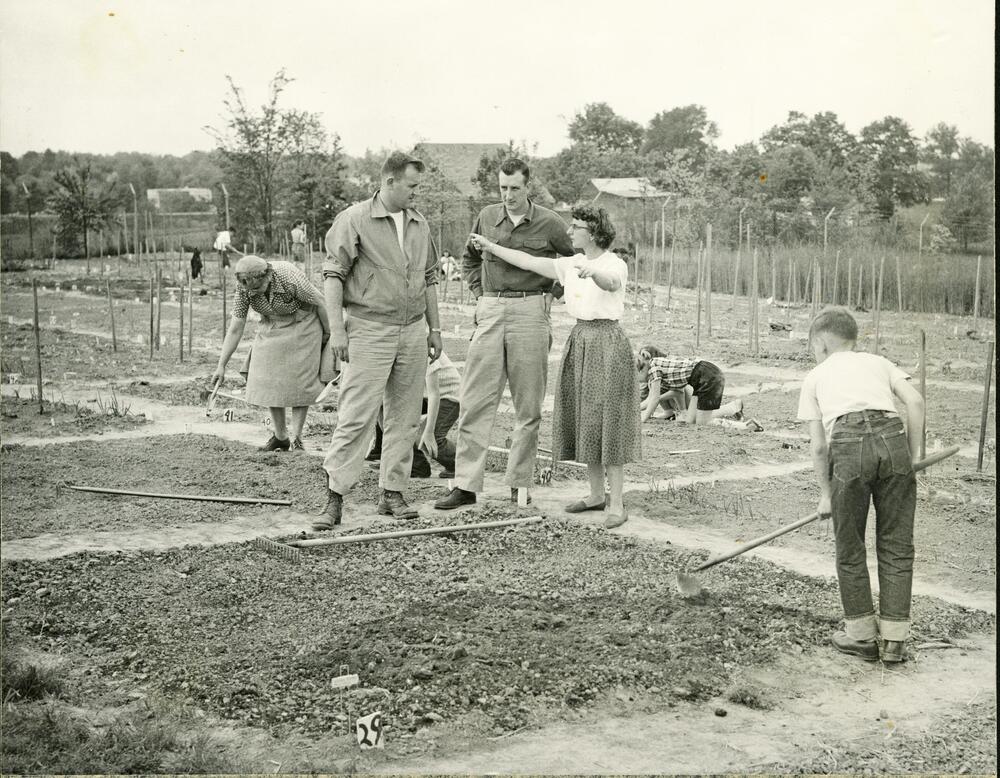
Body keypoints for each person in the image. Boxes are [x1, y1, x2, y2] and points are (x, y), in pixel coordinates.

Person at [465, 205, 640, 528]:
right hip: (580, 339)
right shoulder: (572, 262)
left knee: (609, 421)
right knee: (586, 418)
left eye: (576, 228)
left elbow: (612, 283)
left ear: (594, 233)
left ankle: (617, 503)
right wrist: (490, 247)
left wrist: (594, 274)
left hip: (607, 342)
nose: (570, 232)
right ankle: (596, 495)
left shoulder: (613, 263)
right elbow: (530, 261)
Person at [435, 158, 574, 511]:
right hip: (492, 310)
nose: (508, 195)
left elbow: (573, 265)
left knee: (528, 406)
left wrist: (551, 297)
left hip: (531, 312)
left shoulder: (550, 222)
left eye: (515, 188)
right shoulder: (486, 217)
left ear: (528, 187)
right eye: (503, 188)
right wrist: (480, 294)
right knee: (476, 400)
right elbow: (469, 259)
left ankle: (520, 485)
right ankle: (465, 485)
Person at [317, 151, 443, 529]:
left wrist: (435, 329)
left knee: (405, 418)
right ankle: (335, 497)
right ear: (389, 182)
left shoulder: (420, 224)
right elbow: (333, 274)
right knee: (356, 416)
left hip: (412, 332)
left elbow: (431, 278)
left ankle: (392, 493)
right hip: (369, 330)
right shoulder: (354, 219)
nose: (416, 194)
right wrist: (337, 330)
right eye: (411, 186)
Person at [797, 307, 924, 664]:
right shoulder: (878, 362)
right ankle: (895, 641)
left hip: (849, 445)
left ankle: (862, 637)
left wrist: (825, 494)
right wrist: (909, 458)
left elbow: (819, 446)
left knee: (850, 546)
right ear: (853, 340)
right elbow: (914, 401)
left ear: (821, 343)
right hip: (893, 437)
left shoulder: (816, 375)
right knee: (898, 546)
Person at [211, 255, 333, 452]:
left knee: (299, 382)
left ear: (267, 276)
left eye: (257, 288)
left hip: (304, 323)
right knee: (269, 378)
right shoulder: (244, 288)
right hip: (272, 323)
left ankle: (297, 438)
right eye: (249, 289)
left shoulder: (288, 276)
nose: (253, 292)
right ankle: (280, 436)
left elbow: (321, 302)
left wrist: (328, 335)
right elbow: (236, 327)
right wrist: (221, 365)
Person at [367, 352, 462, 478]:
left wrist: (428, 431)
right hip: (422, 395)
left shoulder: (422, 349)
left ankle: (462, 467)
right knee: (386, 413)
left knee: (428, 439)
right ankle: (415, 464)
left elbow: (435, 394)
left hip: (447, 396)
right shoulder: (387, 347)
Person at [636, 347, 746, 425]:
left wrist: (643, 419)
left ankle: (742, 426)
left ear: (640, 371)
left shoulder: (653, 369)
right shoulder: (655, 366)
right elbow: (653, 398)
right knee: (690, 420)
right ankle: (732, 408)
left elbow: (654, 398)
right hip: (700, 379)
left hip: (708, 376)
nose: (638, 382)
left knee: (702, 422)